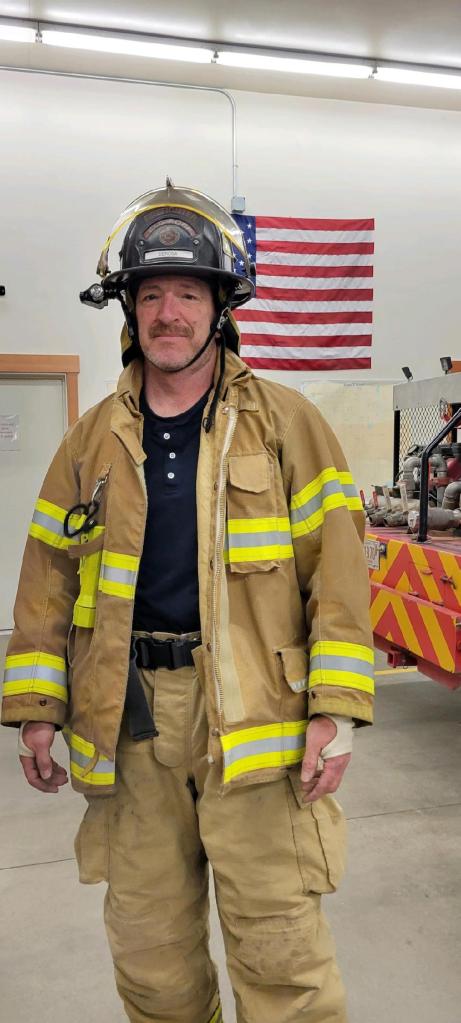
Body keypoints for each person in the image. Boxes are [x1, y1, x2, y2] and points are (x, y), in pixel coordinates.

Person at [1, 181, 374, 1023]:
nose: (168, 313)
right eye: (150, 295)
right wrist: (37, 709)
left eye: (187, 294)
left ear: (219, 309)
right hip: (129, 720)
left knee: (282, 955)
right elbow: (47, 580)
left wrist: (335, 708)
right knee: (152, 957)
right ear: (127, 311)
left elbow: (337, 575)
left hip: (258, 717)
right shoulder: (88, 442)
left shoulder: (287, 424)